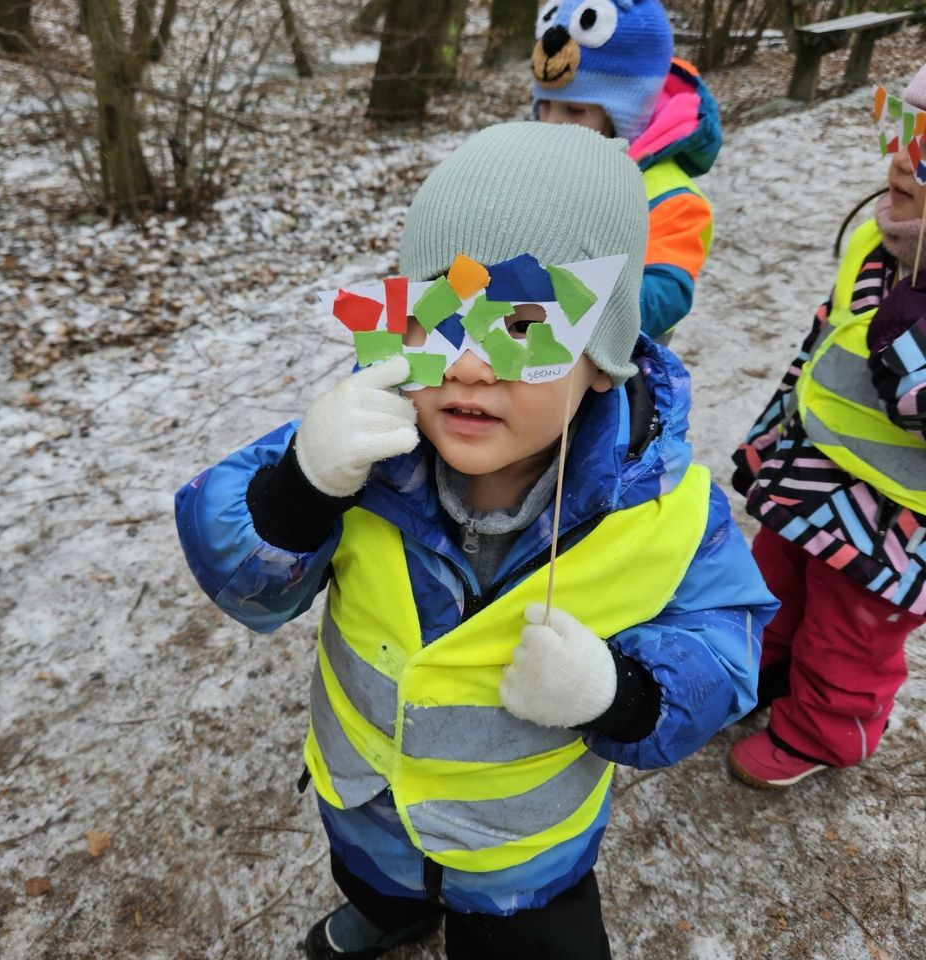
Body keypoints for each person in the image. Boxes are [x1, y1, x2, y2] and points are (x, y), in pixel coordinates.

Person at [175, 122, 775, 960]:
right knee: (373, 874)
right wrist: (300, 489)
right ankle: (393, 908)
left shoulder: (667, 511)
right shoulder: (357, 448)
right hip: (369, 806)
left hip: (522, 852)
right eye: (432, 319)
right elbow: (241, 576)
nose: (465, 367)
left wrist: (621, 692)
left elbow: (726, 646)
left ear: (601, 360)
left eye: (522, 329)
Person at [729, 67, 926, 790]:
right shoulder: (882, 241)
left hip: (895, 514)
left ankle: (824, 730)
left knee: (851, 633)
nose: (902, 159)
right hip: (817, 468)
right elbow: (826, 340)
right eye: (901, 129)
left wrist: (911, 343)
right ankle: (758, 666)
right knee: (772, 580)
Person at [531, 0, 721, 344]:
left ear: (626, 118)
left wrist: (566, 315)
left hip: (615, 374)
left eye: (574, 110)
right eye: (543, 105)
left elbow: (668, 291)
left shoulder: (670, 197)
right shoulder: (548, 167)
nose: (551, 123)